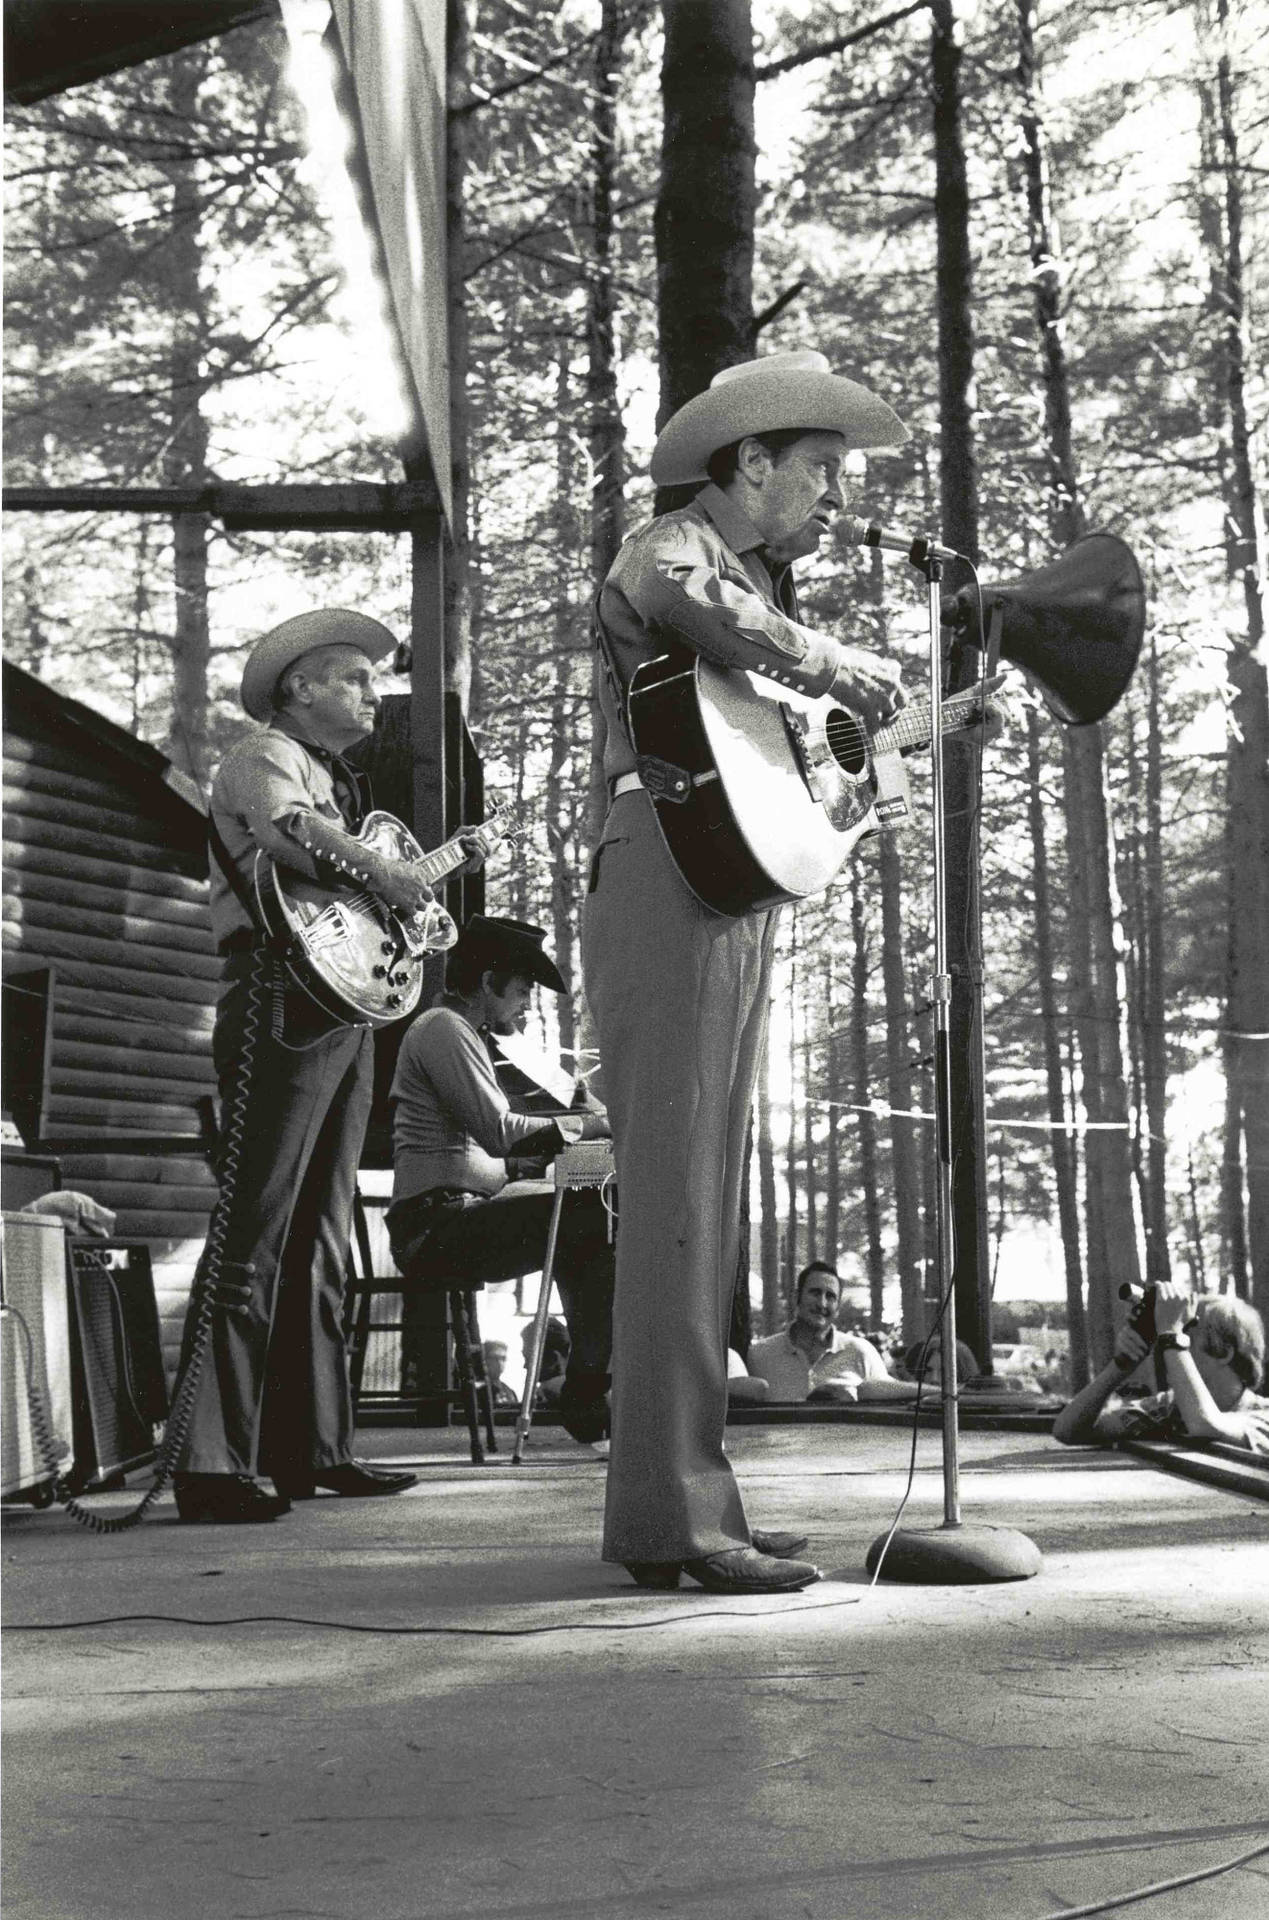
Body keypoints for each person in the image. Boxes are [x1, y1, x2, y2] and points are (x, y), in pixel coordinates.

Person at [582, 348, 912, 1594]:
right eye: (818, 467)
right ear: (750, 461)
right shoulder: (669, 548)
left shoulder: (753, 600)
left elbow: (788, 790)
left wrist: (880, 766)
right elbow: (682, 602)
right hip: (661, 876)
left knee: (706, 1214)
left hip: (721, 887)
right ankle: (675, 1523)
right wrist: (832, 659)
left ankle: (699, 1501)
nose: (833, 492)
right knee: (672, 1200)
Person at [171, 609, 450, 1523]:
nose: (372, 693)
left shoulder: (332, 778)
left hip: (336, 1004)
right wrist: (389, 871)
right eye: (353, 678)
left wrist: (392, 894)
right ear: (300, 688)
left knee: (325, 1232)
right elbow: (291, 834)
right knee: (256, 1223)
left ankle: (312, 1446)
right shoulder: (266, 756)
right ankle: (211, 1460)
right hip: (278, 998)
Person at [386, 915, 614, 1444]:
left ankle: (585, 1386)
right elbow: (500, 1133)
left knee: (601, 1206)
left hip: (462, 1211)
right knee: (597, 1214)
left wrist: (595, 1159)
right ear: (488, 981)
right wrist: (593, 1125)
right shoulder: (444, 1028)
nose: (526, 1004)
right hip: (434, 1226)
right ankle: (585, 1390)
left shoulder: (465, 1035)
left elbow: (502, 1161)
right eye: (520, 989)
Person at [1052, 1282, 1269, 1452]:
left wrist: (1173, 1336)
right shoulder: (1169, 1408)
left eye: (1187, 1338)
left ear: (1224, 1352)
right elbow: (1068, 1431)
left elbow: (1205, 1425)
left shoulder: (1263, 1415)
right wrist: (1121, 1365)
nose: (1167, 1352)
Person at [746, 1263, 897, 1403]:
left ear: (837, 1308)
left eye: (830, 1296)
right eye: (815, 1293)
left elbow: (891, 1396)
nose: (822, 1304)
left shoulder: (861, 1352)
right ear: (796, 1298)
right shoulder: (759, 1356)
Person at [481, 1341, 520, 1408]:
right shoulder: (477, 1389)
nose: (500, 1363)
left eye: (503, 1358)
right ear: (484, 1359)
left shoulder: (509, 1392)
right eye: (495, 1358)